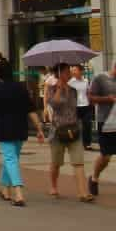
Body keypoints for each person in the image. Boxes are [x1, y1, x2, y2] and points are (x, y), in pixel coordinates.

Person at [0, 59, 45, 206]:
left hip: (4, 129)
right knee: (11, 158)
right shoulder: (21, 88)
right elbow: (30, 109)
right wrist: (39, 128)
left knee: (10, 159)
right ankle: (5, 190)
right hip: (20, 128)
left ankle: (18, 193)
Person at [46, 62, 93, 201]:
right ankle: (53, 186)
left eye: (69, 71)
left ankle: (83, 192)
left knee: (78, 162)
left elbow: (74, 107)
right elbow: (54, 105)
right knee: (56, 162)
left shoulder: (73, 89)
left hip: (74, 128)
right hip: (58, 130)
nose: (69, 73)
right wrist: (59, 90)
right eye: (66, 71)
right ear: (58, 73)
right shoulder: (51, 88)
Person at [88, 59, 116, 197]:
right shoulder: (100, 78)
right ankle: (94, 177)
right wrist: (108, 99)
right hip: (105, 122)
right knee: (106, 156)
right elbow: (91, 98)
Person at [69, 64, 92, 150]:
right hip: (75, 106)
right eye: (72, 70)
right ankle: (74, 142)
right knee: (74, 126)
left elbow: (88, 92)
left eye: (75, 70)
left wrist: (90, 100)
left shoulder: (86, 81)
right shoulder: (70, 82)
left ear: (81, 71)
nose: (73, 72)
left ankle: (87, 143)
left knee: (87, 124)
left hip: (86, 105)